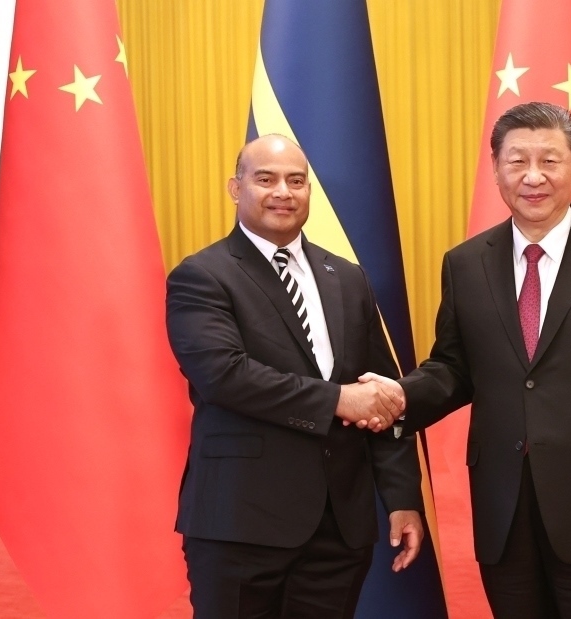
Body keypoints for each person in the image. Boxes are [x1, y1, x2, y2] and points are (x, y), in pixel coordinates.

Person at [363, 102, 571, 618]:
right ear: (496, 169)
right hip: (504, 507)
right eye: (517, 161)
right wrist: (399, 395)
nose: (533, 176)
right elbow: (454, 368)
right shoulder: (465, 264)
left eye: (550, 161)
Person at [166, 134, 424, 618]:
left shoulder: (348, 277)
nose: (283, 192)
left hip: (338, 531)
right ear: (236, 188)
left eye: (296, 181)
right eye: (266, 179)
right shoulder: (202, 276)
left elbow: (382, 394)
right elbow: (225, 375)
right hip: (240, 525)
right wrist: (337, 400)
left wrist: (402, 498)